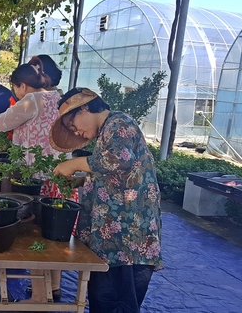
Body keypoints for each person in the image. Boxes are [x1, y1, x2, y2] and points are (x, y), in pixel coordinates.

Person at [49, 87, 163, 313]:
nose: (76, 132)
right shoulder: (107, 131)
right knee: (104, 298)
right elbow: (115, 173)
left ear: (84, 108)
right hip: (114, 237)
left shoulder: (119, 123)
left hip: (126, 238)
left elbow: (120, 159)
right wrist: (83, 181)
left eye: (73, 125)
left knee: (116, 302)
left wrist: (72, 164)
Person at [0, 63, 72, 300]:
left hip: (37, 177)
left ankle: (40, 296)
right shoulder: (60, 96)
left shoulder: (31, 100)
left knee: (36, 233)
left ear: (22, 85)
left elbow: (1, 122)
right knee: (54, 234)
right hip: (62, 175)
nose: (16, 93)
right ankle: (53, 288)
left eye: (15, 88)